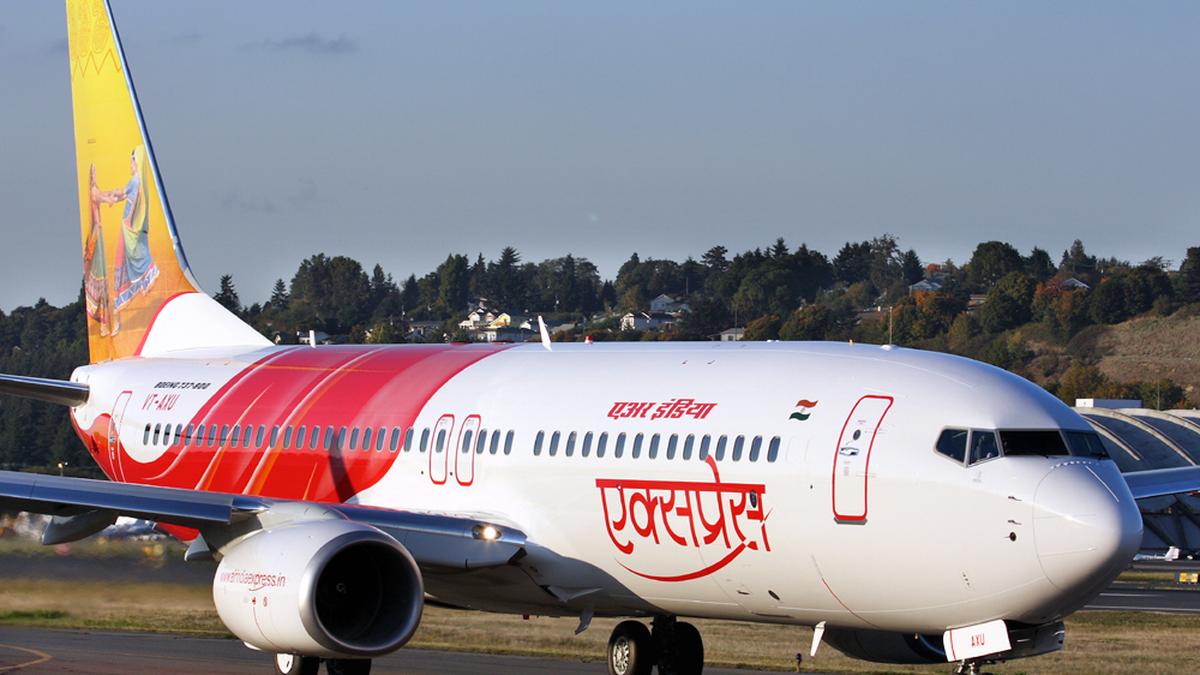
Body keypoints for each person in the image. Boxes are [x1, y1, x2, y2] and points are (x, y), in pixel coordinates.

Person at [109, 146, 159, 312]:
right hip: (139, 227)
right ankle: (144, 285)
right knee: (138, 255)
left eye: (132, 160)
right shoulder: (140, 182)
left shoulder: (135, 181)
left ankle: (141, 284)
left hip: (131, 227)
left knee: (130, 258)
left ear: (136, 161)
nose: (130, 164)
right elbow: (124, 195)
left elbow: (124, 195)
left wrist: (128, 220)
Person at [83, 163, 117, 335]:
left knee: (102, 281)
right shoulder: (94, 190)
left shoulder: (93, 190)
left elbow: (103, 196)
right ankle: (105, 323)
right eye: (95, 172)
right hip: (98, 237)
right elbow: (103, 197)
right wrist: (114, 197)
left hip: (96, 237)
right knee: (102, 281)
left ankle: (105, 323)